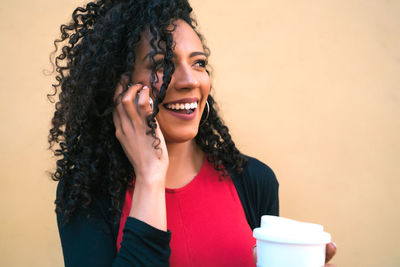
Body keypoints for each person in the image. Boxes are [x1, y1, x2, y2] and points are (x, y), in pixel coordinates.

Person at [48, 0, 337, 266]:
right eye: (162, 64)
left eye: (198, 63)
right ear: (121, 87)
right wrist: (150, 175)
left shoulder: (254, 181)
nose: (189, 81)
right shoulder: (86, 193)